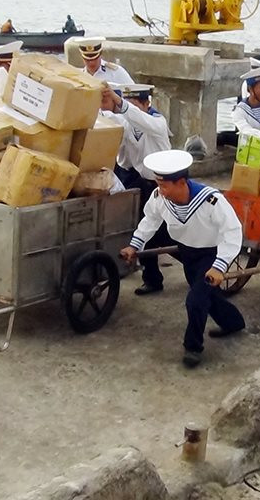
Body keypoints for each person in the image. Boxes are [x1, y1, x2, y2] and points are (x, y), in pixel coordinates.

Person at [119, 150, 245, 368]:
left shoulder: (211, 200)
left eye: (165, 185)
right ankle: (234, 323)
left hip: (210, 254)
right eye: (158, 183)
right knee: (206, 295)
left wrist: (220, 266)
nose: (161, 189)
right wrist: (134, 245)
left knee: (195, 300)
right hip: (186, 250)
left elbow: (232, 231)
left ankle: (193, 347)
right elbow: (150, 220)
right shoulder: (160, 197)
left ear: (181, 182)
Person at [101, 84, 172, 295]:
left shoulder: (157, 122)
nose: (130, 108)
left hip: (166, 183)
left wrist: (121, 105)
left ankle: (197, 262)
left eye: (135, 104)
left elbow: (138, 119)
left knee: (166, 233)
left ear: (146, 103)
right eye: (128, 103)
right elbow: (118, 142)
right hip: (140, 180)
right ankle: (151, 278)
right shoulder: (127, 121)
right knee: (142, 229)